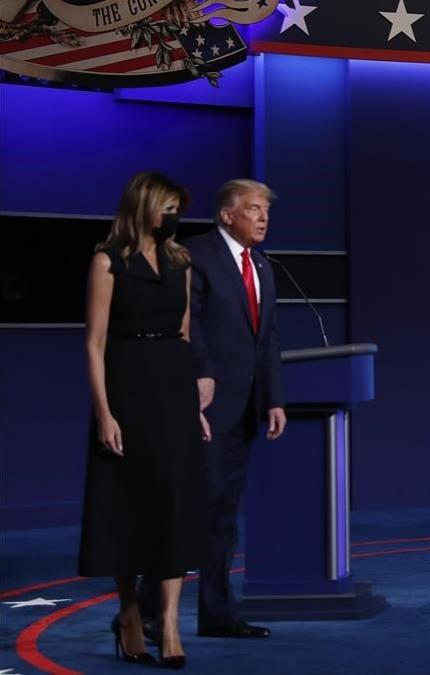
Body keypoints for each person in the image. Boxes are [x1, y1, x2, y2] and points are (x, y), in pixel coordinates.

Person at [139, 179, 286, 640]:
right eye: (254, 209)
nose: (263, 218)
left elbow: (268, 340)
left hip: (243, 410)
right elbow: (187, 323)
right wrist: (199, 379)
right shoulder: (194, 254)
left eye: (266, 210)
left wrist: (274, 398)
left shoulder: (262, 265)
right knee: (190, 510)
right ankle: (145, 614)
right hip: (200, 406)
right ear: (227, 214)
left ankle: (218, 614)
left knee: (223, 515)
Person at [78, 171, 209, 668]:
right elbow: (93, 344)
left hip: (172, 391)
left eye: (179, 208)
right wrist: (104, 413)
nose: (174, 217)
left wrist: (194, 404)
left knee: (174, 504)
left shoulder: (182, 262)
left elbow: (183, 335)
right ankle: (130, 613)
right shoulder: (107, 261)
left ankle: (170, 623)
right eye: (168, 207)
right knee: (128, 507)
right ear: (144, 207)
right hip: (127, 390)